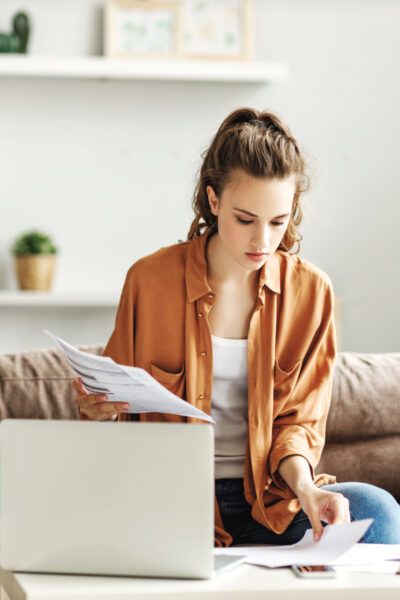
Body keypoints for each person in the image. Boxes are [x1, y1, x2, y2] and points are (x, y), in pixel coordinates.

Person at [72, 107, 400, 547]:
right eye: (245, 219)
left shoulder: (312, 292)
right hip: (172, 503)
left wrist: (307, 490)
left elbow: (296, 426)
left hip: (271, 503)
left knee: (374, 509)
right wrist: (97, 408)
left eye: (278, 222)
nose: (262, 241)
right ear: (213, 201)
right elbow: (113, 404)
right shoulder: (149, 281)